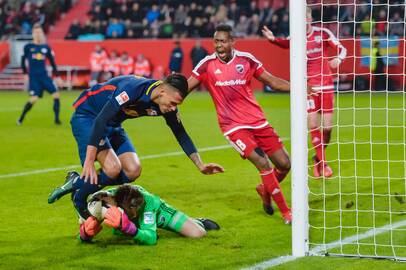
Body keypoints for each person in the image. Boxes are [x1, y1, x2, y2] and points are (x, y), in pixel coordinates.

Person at [48, 74, 224, 231]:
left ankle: (78, 182)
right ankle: (79, 198)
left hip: (113, 123)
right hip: (89, 116)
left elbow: (181, 133)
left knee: (133, 170)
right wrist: (89, 161)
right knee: (112, 169)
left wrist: (200, 165)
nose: (173, 108)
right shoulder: (132, 89)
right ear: (162, 90)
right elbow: (100, 120)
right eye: (173, 103)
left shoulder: (166, 104)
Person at [187, 24, 292, 224]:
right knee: (263, 162)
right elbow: (185, 88)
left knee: (285, 164)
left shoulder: (246, 60)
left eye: (223, 41)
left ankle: (265, 190)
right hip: (232, 126)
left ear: (233, 42)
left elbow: (273, 82)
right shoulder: (206, 65)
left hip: (258, 121)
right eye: (216, 41)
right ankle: (287, 212)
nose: (219, 45)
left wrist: (301, 88)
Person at [262, 7, 347, 178]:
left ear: (310, 18)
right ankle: (323, 165)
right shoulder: (296, 38)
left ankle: (318, 157)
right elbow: (284, 43)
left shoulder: (322, 33)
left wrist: (338, 58)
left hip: (327, 85)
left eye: (306, 18)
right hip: (309, 88)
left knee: (328, 128)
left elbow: (342, 49)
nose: (304, 21)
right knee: (313, 124)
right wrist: (272, 40)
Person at [78, 184, 220, 243]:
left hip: (159, 213)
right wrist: (85, 233)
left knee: (198, 233)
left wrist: (132, 230)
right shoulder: (104, 201)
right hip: (130, 208)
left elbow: (152, 238)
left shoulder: (147, 205)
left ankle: (196, 221)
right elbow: (86, 223)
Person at [17, 23, 61, 125]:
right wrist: (25, 73)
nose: (37, 34)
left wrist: (57, 76)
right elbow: (23, 61)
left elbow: (52, 62)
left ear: (42, 34)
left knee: (56, 95)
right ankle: (21, 118)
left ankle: (57, 120)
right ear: (33, 33)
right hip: (34, 77)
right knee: (34, 99)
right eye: (36, 32)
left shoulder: (46, 47)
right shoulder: (28, 47)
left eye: (39, 32)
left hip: (44, 76)